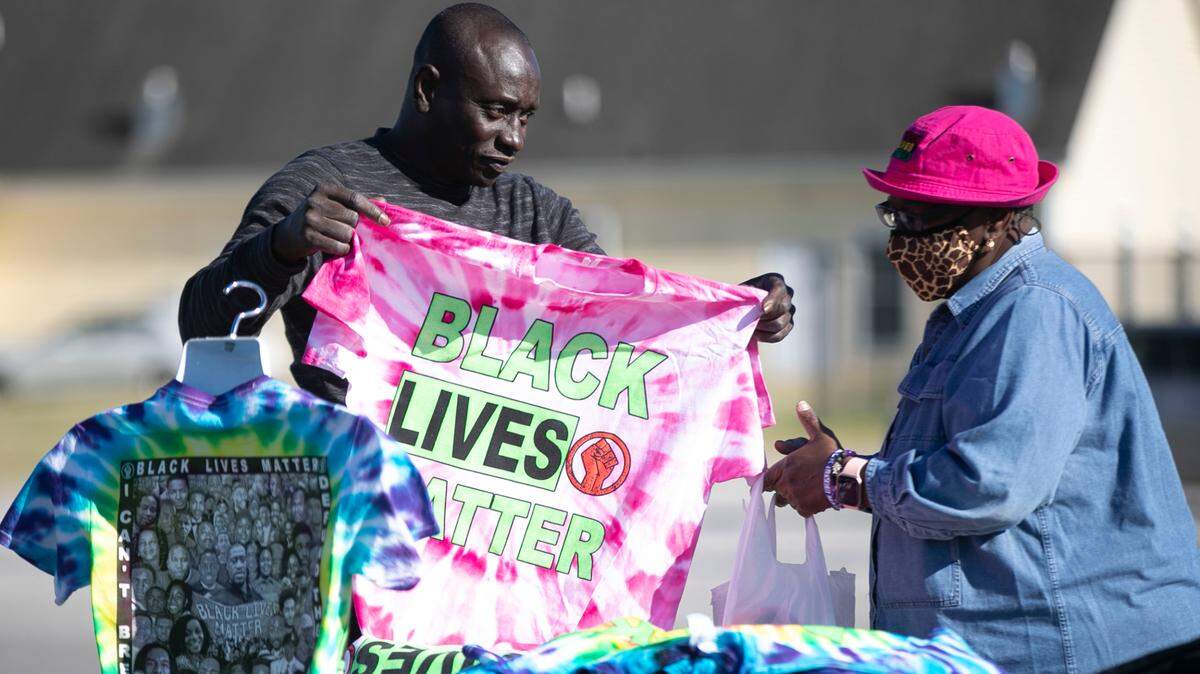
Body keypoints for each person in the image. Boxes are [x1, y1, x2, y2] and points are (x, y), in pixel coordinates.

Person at [178, 2, 794, 406]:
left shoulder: (537, 218)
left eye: (526, 117)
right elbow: (202, 328)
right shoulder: (329, 187)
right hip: (361, 534)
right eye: (496, 111)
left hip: (498, 552)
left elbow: (624, 331)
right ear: (427, 89)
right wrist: (280, 249)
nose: (515, 139)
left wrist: (735, 313)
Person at [764, 105, 1200, 672]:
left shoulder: (1035, 311)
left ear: (997, 222)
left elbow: (987, 482)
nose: (904, 239)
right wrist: (854, 467)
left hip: (1070, 649)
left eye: (923, 217)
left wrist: (848, 477)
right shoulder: (975, 316)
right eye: (895, 214)